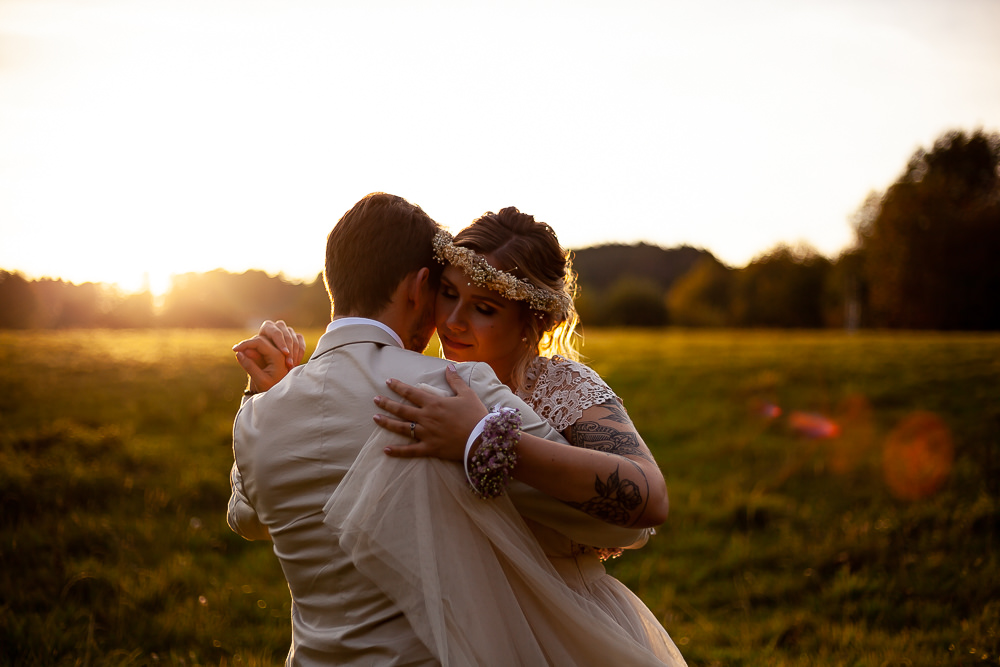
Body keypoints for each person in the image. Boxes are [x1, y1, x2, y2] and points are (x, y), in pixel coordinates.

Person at [228, 193, 685, 665]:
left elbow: (634, 513)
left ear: (535, 322)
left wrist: (484, 440)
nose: (449, 321)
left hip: (554, 625)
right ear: (421, 287)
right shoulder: (445, 387)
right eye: (447, 294)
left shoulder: (265, 414)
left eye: (483, 307)